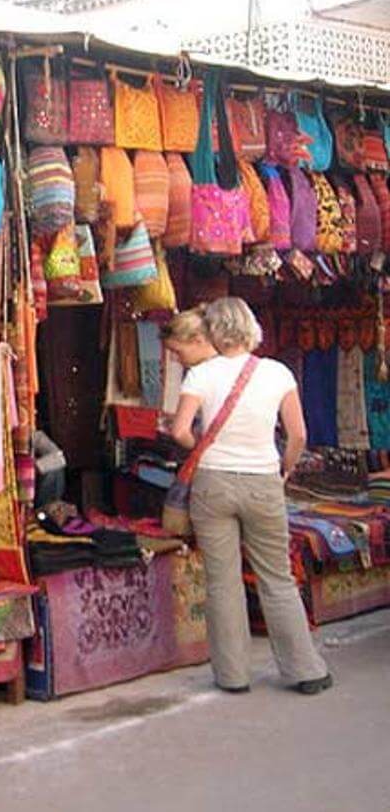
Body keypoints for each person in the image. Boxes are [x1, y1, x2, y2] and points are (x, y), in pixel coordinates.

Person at [163, 298, 331, 696]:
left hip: (213, 483)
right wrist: (284, 467)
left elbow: (179, 430)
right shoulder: (277, 372)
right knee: (277, 577)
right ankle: (305, 670)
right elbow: (299, 435)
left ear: (214, 331)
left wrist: (202, 449)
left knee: (222, 581)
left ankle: (233, 676)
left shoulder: (201, 375)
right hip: (262, 481)